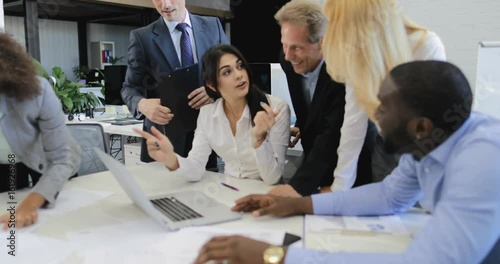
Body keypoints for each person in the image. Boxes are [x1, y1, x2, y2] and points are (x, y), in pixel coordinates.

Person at [194, 60, 500, 264]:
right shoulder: (432, 136)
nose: (374, 114)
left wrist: (278, 256)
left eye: (384, 108)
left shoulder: (484, 161)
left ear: (419, 127)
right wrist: (298, 204)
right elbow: (389, 196)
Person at [319, 0, 446, 192]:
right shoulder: (358, 59)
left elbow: (438, 128)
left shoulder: (426, 47)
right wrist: (339, 187)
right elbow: (353, 126)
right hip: (386, 151)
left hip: (426, 152)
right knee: (386, 216)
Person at [134, 44, 290, 184]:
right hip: (230, 191)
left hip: (267, 195)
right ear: (212, 85)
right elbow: (196, 168)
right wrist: (173, 160)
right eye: (227, 72)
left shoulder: (276, 108)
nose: (239, 75)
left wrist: (259, 140)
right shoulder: (207, 113)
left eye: (240, 66)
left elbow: (273, 178)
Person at [267, 0, 374, 197]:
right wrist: (306, 123)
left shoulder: (343, 71)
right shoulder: (288, 59)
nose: (289, 55)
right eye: (284, 45)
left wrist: (296, 188)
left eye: (297, 48)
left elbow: (332, 134)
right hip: (317, 164)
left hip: (356, 171)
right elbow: (312, 101)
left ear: (322, 42)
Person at [121, 0, 229, 169]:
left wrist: (214, 90)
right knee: (162, 195)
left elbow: (230, 72)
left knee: (206, 191)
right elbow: (129, 88)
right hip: (162, 140)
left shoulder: (212, 27)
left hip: (205, 137)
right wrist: (142, 104)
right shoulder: (142, 37)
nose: (165, 5)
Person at [0, 33, 81, 230]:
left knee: (53, 220)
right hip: (6, 161)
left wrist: (28, 206)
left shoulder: (38, 91)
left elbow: (61, 159)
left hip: (48, 158)